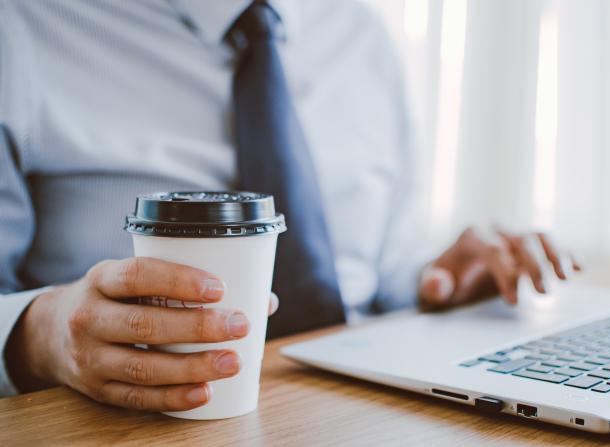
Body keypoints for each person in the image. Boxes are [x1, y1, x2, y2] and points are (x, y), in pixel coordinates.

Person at [0, 0, 579, 413]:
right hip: (139, 423)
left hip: (357, 412)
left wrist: (441, 280)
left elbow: (378, 274)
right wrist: (37, 335)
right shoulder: (22, 26)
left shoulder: (363, 35)